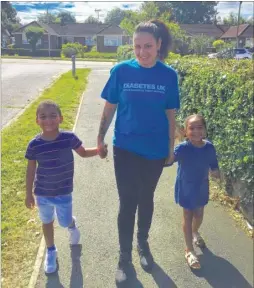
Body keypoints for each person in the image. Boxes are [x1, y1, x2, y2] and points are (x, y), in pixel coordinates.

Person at [97, 19, 180, 284]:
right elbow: (109, 107)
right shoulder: (121, 71)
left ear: (158, 45)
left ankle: (142, 245)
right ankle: (124, 257)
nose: (142, 52)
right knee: (127, 201)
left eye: (147, 46)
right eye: (136, 47)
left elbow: (170, 115)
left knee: (147, 198)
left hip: (155, 150)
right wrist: (100, 137)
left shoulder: (168, 76)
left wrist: (170, 148)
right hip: (126, 148)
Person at [25, 100, 107, 274]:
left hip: (63, 192)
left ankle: (71, 224)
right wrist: (28, 194)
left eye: (53, 116)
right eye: (43, 116)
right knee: (46, 221)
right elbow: (31, 169)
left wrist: (99, 151)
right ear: (37, 120)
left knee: (63, 221)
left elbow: (83, 153)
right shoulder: (34, 145)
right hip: (42, 194)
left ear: (61, 118)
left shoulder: (69, 138)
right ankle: (51, 251)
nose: (48, 120)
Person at [169, 114, 220, 269]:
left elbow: (213, 164)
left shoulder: (209, 147)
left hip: (202, 187)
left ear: (205, 130)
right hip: (186, 187)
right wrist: (168, 145)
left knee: (199, 214)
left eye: (200, 127)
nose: (196, 131)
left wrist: (216, 172)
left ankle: (194, 232)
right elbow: (168, 160)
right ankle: (189, 249)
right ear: (185, 131)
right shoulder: (183, 148)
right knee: (188, 214)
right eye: (192, 128)